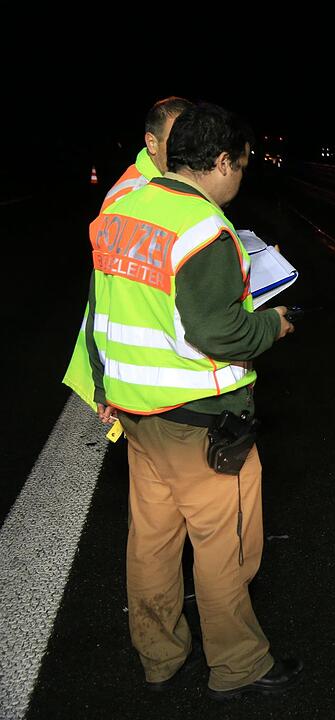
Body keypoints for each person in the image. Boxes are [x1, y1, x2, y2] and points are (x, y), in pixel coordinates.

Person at [63, 101, 303, 698]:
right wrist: (273, 325)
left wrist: (104, 388)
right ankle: (238, 666)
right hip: (201, 424)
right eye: (240, 165)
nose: (240, 177)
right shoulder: (203, 229)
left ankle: (160, 658)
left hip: (138, 415)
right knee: (226, 547)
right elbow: (217, 331)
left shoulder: (122, 208)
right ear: (221, 162)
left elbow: (99, 311)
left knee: (152, 542)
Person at [100, 96, 193, 211]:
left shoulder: (195, 178)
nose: (190, 151)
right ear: (152, 143)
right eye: (177, 142)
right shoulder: (126, 199)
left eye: (195, 141)